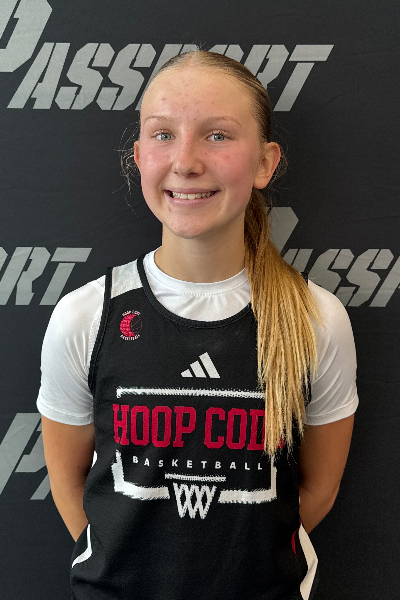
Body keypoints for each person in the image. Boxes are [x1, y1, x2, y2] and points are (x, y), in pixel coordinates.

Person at [38, 50, 358, 600]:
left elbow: (318, 490)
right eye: (163, 135)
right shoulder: (87, 315)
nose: (185, 161)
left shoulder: (315, 319)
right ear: (139, 156)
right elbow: (69, 484)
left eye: (217, 135)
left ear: (265, 163)